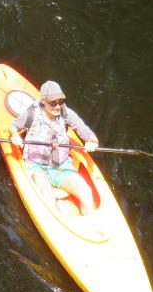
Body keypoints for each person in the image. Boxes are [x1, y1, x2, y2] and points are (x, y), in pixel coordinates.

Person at [9, 80, 100, 214]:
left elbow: (87, 133)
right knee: (46, 193)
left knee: (86, 191)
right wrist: (15, 136)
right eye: (53, 102)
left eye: (61, 101)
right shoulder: (31, 113)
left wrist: (92, 141)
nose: (58, 106)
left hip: (61, 166)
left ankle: (93, 226)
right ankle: (58, 215)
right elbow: (14, 127)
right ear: (43, 100)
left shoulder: (66, 113)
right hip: (36, 165)